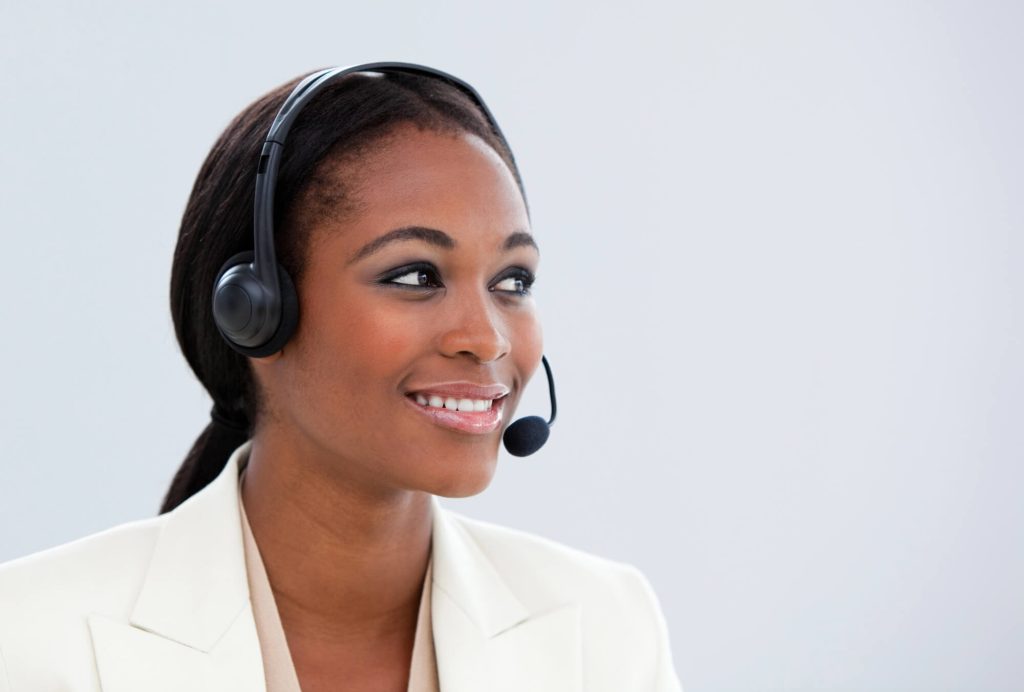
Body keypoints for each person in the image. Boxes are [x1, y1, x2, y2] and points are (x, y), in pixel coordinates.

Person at [0, 63, 683, 691]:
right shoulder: (29, 638)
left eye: (513, 281)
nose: (486, 338)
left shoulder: (607, 629)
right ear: (257, 311)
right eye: (415, 276)